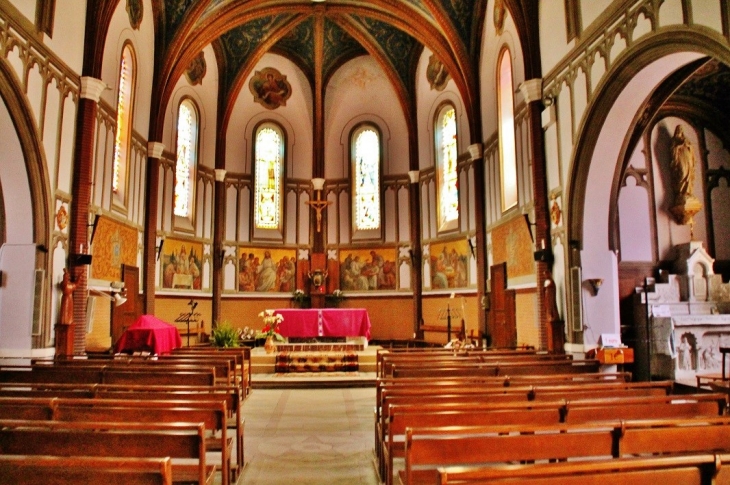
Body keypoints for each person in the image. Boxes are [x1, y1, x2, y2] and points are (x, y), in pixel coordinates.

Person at [670, 125, 696, 203]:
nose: (680, 130)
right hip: (680, 158)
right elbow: (673, 150)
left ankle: (687, 192)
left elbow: (691, 149)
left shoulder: (686, 140)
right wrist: (679, 146)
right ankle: (681, 192)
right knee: (682, 173)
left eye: (681, 129)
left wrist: (687, 145)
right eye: (678, 129)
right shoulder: (674, 140)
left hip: (687, 158)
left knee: (688, 173)